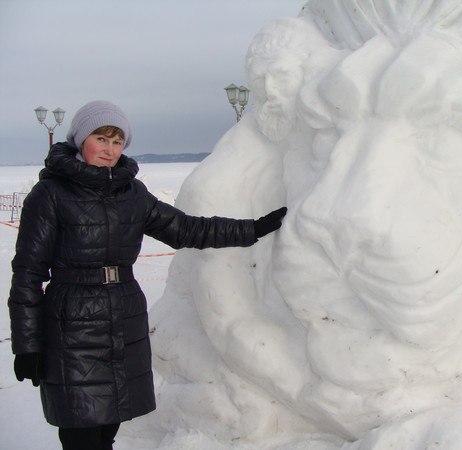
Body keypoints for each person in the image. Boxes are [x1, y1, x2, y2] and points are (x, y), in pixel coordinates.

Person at [8, 100, 287, 450]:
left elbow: (186, 229)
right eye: (101, 138)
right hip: (71, 326)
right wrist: (27, 344)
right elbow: (27, 274)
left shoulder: (132, 193)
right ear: (81, 140)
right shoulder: (50, 195)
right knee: (79, 428)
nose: (109, 150)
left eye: (117, 141)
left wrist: (251, 229)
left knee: (108, 427)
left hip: (123, 315)